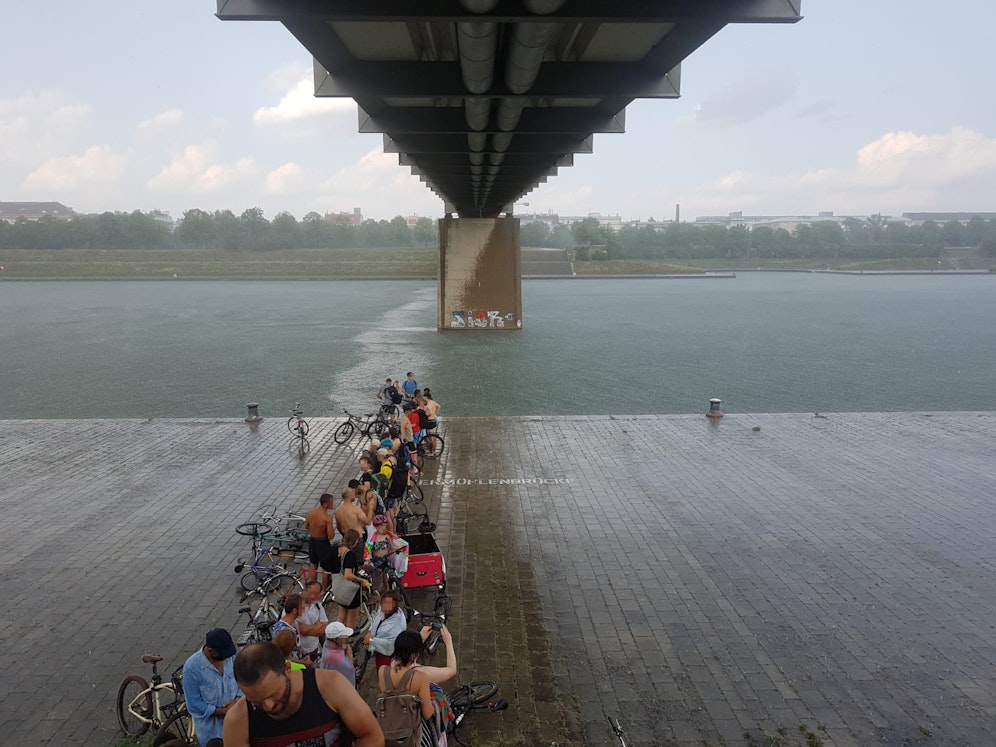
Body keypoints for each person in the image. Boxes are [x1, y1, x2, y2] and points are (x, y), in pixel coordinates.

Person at [223, 642, 383, 747]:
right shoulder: (238, 721)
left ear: (287, 669)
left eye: (273, 694)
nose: (268, 706)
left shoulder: (330, 686)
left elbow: (373, 737)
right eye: (255, 702)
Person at [182, 628, 242, 747]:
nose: (226, 658)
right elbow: (194, 705)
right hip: (211, 734)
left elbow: (243, 679)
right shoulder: (191, 669)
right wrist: (222, 712)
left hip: (236, 726)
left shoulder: (231, 656)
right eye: (222, 655)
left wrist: (238, 701)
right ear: (210, 651)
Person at [377, 631, 437, 747]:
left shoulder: (382, 671)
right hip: (410, 736)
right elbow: (428, 713)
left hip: (386, 730)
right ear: (415, 654)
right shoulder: (420, 678)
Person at [335, 529, 372, 629]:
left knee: (340, 618)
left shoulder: (340, 550)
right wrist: (361, 580)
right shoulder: (350, 555)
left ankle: (335, 637)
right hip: (350, 592)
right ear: (354, 541)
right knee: (351, 619)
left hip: (341, 590)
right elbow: (348, 575)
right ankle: (347, 640)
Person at [365, 590, 408, 673]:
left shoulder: (396, 626)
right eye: (383, 603)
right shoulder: (386, 611)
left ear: (395, 604)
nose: (384, 606)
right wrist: (370, 632)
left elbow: (389, 645)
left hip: (388, 657)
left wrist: (370, 642)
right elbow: (377, 619)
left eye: (388, 604)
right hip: (379, 649)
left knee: (385, 674)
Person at [305, 494, 336, 586]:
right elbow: (331, 536)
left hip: (312, 541)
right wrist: (334, 528)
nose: (333, 504)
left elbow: (306, 526)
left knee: (313, 565)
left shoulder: (310, 513)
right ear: (325, 504)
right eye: (331, 502)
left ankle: (312, 587)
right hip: (323, 543)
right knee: (325, 567)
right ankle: (324, 589)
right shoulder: (327, 518)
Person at [297, 581, 329, 664]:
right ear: (305, 590)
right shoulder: (295, 605)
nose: (313, 596)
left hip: (315, 649)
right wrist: (318, 625)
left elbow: (325, 626)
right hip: (300, 653)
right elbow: (303, 630)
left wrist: (310, 629)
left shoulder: (318, 605)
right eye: (311, 593)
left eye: (316, 594)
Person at [320, 621, 356, 687]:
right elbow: (350, 671)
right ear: (336, 639)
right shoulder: (337, 659)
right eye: (344, 636)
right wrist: (350, 655)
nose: (347, 638)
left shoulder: (327, 644)